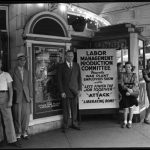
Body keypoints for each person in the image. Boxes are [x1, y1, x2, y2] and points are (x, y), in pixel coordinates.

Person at [57, 50, 82, 133]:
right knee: (65, 110)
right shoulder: (61, 66)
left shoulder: (76, 65)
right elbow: (59, 80)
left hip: (75, 91)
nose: (70, 57)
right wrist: (61, 91)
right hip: (65, 92)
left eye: (71, 56)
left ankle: (74, 124)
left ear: (73, 57)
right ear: (65, 56)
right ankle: (66, 125)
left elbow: (79, 78)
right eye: (68, 56)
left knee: (74, 109)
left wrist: (79, 89)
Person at [0, 57, 21, 147]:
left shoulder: (6, 74)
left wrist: (10, 101)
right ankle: (0, 139)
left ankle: (12, 140)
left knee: (8, 119)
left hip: (4, 96)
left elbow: (11, 89)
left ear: (1, 64)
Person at [11, 52, 32, 140]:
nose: (24, 62)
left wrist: (30, 95)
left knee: (26, 114)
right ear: (18, 61)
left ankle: (24, 131)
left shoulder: (27, 71)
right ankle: (18, 132)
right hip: (17, 96)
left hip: (26, 95)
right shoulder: (12, 71)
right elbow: (10, 84)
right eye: (22, 60)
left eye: (24, 60)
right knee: (17, 114)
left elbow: (29, 84)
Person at [119, 61, 139, 128]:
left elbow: (136, 84)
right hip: (125, 91)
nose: (128, 68)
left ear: (131, 67)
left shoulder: (134, 75)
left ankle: (130, 122)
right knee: (125, 107)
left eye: (129, 67)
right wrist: (127, 89)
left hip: (131, 92)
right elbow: (122, 84)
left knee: (131, 107)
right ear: (125, 67)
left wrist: (131, 91)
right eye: (126, 67)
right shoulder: (122, 74)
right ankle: (125, 122)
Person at [143, 59, 150, 124]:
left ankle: (146, 118)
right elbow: (147, 79)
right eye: (149, 63)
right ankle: (146, 118)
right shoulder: (144, 70)